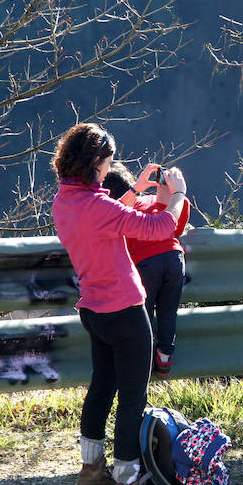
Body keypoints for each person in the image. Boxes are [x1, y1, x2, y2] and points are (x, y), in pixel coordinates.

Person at [51, 122, 188, 485]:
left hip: (93, 310)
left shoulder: (66, 201)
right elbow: (161, 226)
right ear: (95, 164)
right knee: (132, 397)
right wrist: (176, 194)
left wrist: (135, 188)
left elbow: (107, 214)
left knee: (101, 388)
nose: (110, 166)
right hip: (126, 312)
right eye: (108, 162)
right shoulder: (98, 207)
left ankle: (91, 470)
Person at [102, 162, 191, 379]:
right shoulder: (161, 203)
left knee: (144, 313)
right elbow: (176, 227)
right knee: (168, 311)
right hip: (174, 259)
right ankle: (165, 355)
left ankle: (145, 359)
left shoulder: (124, 211)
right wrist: (170, 196)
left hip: (145, 265)